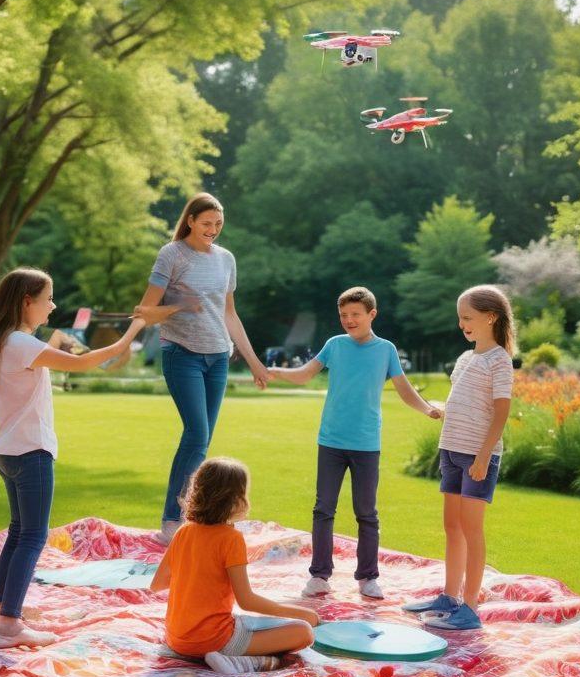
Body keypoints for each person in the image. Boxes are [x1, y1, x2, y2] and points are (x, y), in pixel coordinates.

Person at [0, 267, 146, 649]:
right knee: (33, 537)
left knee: (19, 533)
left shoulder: (5, 341)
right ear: (27, 302)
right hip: (30, 452)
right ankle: (9, 626)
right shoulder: (21, 343)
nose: (53, 306)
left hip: (9, 451)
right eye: (48, 299)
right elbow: (86, 362)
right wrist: (134, 330)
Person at [269, 287, 443, 600]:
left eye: (355, 314)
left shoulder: (386, 350)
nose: (349, 320)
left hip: (366, 443)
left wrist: (427, 408)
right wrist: (274, 372)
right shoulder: (334, 345)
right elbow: (305, 374)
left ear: (371, 314)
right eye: (343, 315)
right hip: (331, 440)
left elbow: (404, 389)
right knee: (323, 509)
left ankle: (367, 577)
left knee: (366, 513)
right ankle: (319, 575)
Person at [137, 193, 269, 545]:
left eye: (218, 224)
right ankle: (172, 519)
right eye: (207, 223)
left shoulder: (226, 259)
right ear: (191, 220)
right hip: (182, 355)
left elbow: (229, 314)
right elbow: (145, 312)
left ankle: (194, 515)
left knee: (202, 438)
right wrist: (180, 305)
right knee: (196, 434)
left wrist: (254, 362)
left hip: (218, 358)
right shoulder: (172, 254)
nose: (213, 229)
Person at [405, 284, 515, 631]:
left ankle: (470, 607)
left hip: (476, 456)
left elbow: (501, 412)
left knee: (471, 529)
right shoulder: (467, 358)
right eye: (460, 317)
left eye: (467, 317)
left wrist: (483, 456)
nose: (461, 324)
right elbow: (465, 401)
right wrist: (441, 408)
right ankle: (449, 597)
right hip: (451, 449)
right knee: (452, 526)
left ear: (490, 317)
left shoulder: (500, 360)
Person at [149, 457, 318, 675]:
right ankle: (244, 663)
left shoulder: (184, 531)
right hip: (214, 640)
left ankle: (229, 655)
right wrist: (301, 613)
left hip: (177, 640)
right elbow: (246, 601)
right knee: (303, 632)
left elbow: (158, 584)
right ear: (235, 499)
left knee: (250, 623)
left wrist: (194, 573)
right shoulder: (231, 539)